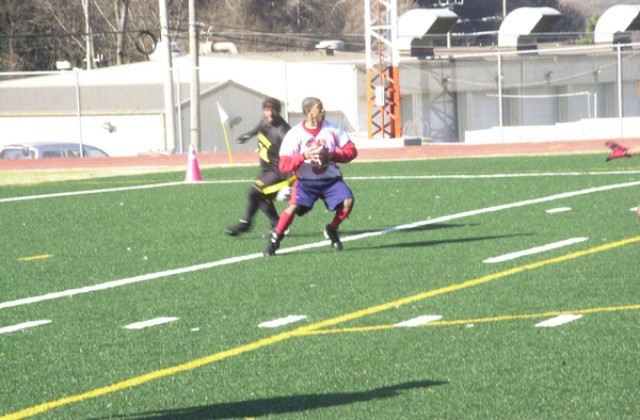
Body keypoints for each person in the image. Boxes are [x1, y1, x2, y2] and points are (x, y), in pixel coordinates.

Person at [263, 96, 358, 256]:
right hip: (306, 182)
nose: (323, 110)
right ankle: (275, 240)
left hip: (331, 181)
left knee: (348, 201)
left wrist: (331, 155)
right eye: (319, 108)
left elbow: (352, 152)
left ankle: (332, 229)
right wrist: (304, 155)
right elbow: (284, 165)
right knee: (292, 208)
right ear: (309, 112)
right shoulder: (295, 134)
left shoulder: (333, 129)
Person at [224, 98, 295, 236]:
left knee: (254, 192)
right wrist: (248, 135)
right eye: (267, 110)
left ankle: (246, 223)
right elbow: (259, 128)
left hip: (279, 172)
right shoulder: (264, 122)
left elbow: (293, 155)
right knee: (261, 197)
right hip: (267, 169)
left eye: (273, 110)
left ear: (279, 112)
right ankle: (279, 226)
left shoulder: (282, 132)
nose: (270, 113)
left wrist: (289, 184)